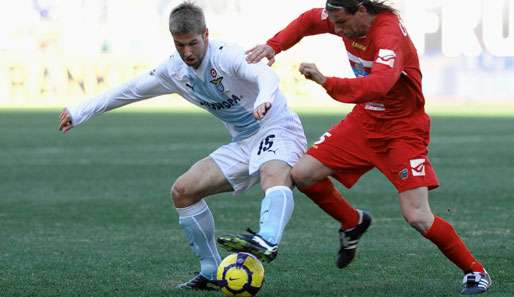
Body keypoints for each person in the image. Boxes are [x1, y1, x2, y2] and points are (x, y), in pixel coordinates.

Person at [244, 0, 491, 295]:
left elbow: (379, 85)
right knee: (303, 173)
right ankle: (353, 222)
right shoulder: (342, 16)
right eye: (334, 23)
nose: (336, 30)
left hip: (402, 131)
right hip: (365, 121)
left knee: (417, 216)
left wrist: (326, 81)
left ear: (361, 11)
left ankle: (476, 272)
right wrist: (274, 45)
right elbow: (310, 20)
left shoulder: (388, 36)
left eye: (342, 24)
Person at [58, 1, 306, 291]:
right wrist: (80, 111)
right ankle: (211, 272)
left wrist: (264, 97)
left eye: (192, 43)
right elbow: (129, 91)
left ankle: (268, 239)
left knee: (272, 173)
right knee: (183, 191)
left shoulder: (226, 55)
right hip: (242, 142)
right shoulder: (174, 71)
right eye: (180, 45)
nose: (187, 52)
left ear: (206, 35)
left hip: (277, 127)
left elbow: (265, 74)